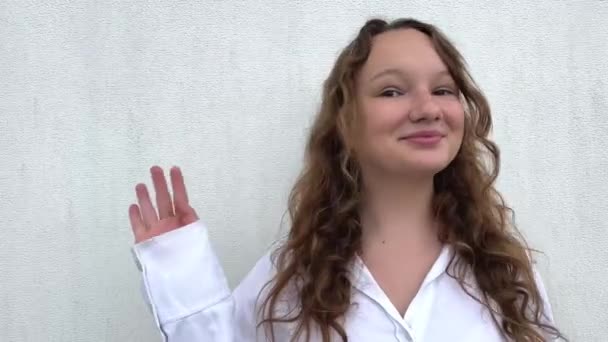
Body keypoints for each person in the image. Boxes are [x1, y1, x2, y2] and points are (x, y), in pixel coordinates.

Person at [128, 18, 566, 342]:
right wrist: (184, 279)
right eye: (392, 91)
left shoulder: (505, 276)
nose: (427, 108)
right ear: (346, 122)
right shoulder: (291, 277)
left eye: (443, 90)